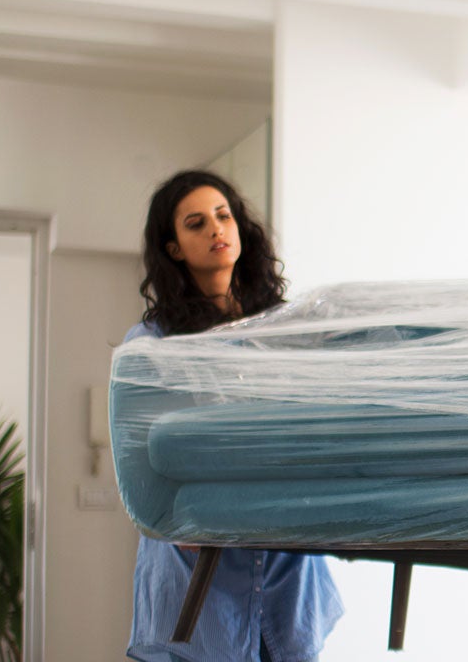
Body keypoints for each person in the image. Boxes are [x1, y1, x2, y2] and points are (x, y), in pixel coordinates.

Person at [123, 170, 344, 662]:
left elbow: (317, 426)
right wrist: (179, 527)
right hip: (196, 568)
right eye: (196, 223)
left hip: (287, 563)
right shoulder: (154, 344)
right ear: (175, 248)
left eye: (224, 216)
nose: (216, 230)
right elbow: (137, 461)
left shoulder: (286, 329)